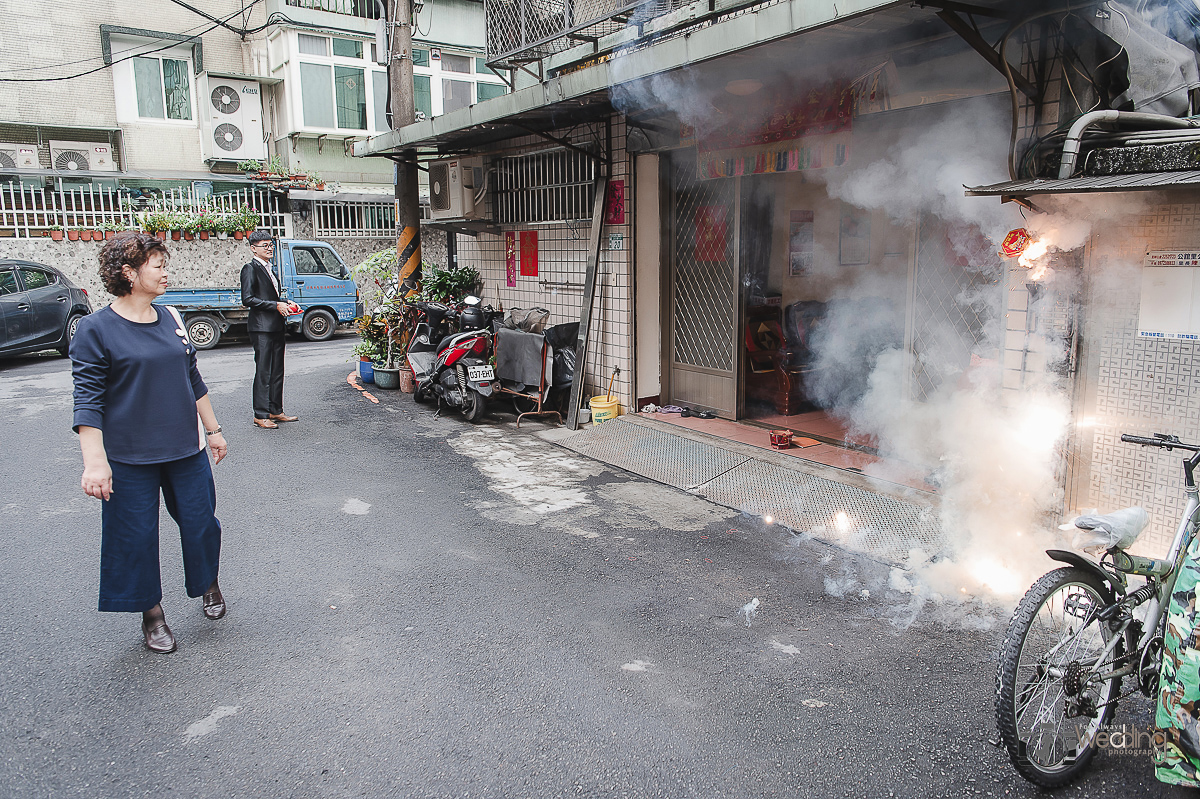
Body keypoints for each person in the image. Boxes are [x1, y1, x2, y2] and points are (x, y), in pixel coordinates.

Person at [71, 232, 229, 654]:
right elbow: (87, 401)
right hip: (128, 456)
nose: (165, 273)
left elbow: (191, 378)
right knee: (135, 536)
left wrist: (213, 430)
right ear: (129, 272)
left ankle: (207, 582)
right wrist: (94, 463)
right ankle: (152, 614)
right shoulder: (94, 329)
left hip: (185, 448)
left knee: (200, 524)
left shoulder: (173, 317)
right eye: (158, 265)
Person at [241, 230, 298, 428]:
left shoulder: (270, 269)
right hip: (261, 328)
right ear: (253, 248)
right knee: (264, 371)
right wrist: (275, 306)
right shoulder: (250, 269)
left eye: (270, 245)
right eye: (264, 245)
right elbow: (247, 299)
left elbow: (270, 297)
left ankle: (276, 410)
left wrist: (284, 302)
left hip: (275, 326)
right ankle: (260, 414)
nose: (269, 248)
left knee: (277, 371)